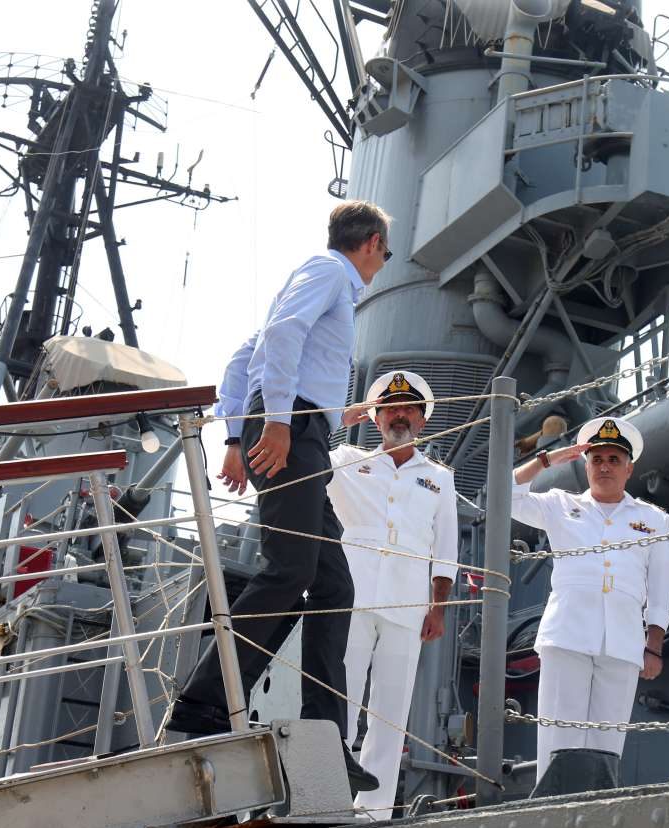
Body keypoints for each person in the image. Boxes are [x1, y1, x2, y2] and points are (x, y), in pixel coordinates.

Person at [167, 201, 391, 794]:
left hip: (303, 429)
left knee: (333, 586)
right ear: (372, 242)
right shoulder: (329, 272)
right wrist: (277, 423)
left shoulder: (318, 281)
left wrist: (238, 436)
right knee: (290, 569)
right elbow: (281, 336)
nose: (382, 264)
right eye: (386, 253)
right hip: (293, 430)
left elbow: (247, 356)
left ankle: (324, 733)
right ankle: (206, 700)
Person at [509, 416, 669, 784]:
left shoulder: (653, 519)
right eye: (596, 459)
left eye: (614, 459)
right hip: (567, 636)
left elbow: (661, 586)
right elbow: (506, 497)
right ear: (586, 466)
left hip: (623, 642)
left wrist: (654, 646)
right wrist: (546, 461)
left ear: (629, 469)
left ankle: (599, 808)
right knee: (558, 738)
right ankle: (552, 810)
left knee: (607, 743)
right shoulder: (560, 505)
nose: (604, 466)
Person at [329, 370, 459, 818]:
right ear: (376, 417)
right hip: (353, 595)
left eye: (408, 409)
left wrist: (438, 608)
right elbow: (307, 457)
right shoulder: (348, 460)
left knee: (390, 712)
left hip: (408, 604)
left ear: (422, 420)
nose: (399, 415)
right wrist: (340, 418)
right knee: (340, 699)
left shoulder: (439, 478)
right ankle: (329, 800)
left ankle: (375, 811)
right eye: (389, 409)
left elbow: (445, 549)